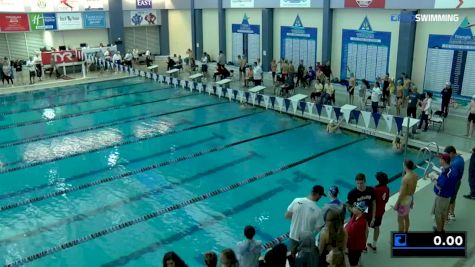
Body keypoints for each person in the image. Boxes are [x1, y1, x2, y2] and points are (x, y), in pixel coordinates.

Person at [285, 185, 326, 264]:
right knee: (305, 260)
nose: (320, 197)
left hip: (293, 236)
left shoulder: (298, 201)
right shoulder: (317, 210)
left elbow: (287, 215)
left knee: (292, 257)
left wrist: (298, 218)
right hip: (306, 241)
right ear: (317, 194)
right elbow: (318, 228)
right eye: (320, 196)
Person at [432, 153, 458, 232]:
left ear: (445, 160)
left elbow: (440, 187)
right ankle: (441, 229)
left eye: (441, 159)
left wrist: (433, 179)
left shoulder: (446, 174)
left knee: (438, 215)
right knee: (443, 214)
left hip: (441, 198)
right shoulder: (451, 170)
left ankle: (439, 231)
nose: (439, 160)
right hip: (448, 197)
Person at [394, 160, 418, 232]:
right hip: (410, 198)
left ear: (405, 166)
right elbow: (413, 189)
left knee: (400, 220)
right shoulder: (415, 175)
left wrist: (397, 203)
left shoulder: (405, 178)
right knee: (406, 217)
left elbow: (402, 193)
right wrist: (412, 200)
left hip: (403, 201)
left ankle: (399, 240)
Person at [368, 172, 390, 251]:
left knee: (366, 228)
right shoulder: (387, 189)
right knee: (377, 227)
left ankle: (364, 246)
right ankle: (374, 245)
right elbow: (386, 200)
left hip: (372, 213)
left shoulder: (375, 190)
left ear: (379, 181)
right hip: (381, 212)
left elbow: (370, 201)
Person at [444, 146, 465, 221]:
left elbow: (451, 176)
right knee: (453, 198)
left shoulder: (456, 163)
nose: (446, 156)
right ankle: (452, 213)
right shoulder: (459, 158)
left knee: (449, 200)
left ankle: (446, 218)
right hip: (457, 181)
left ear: (452, 153)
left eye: (447, 154)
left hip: (454, 183)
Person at [345, 201, 368, 267]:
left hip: (354, 247)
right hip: (359, 244)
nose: (353, 208)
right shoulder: (357, 216)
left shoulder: (358, 224)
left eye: (355, 207)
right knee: (357, 257)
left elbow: (347, 233)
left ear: (359, 211)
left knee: (353, 263)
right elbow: (366, 231)